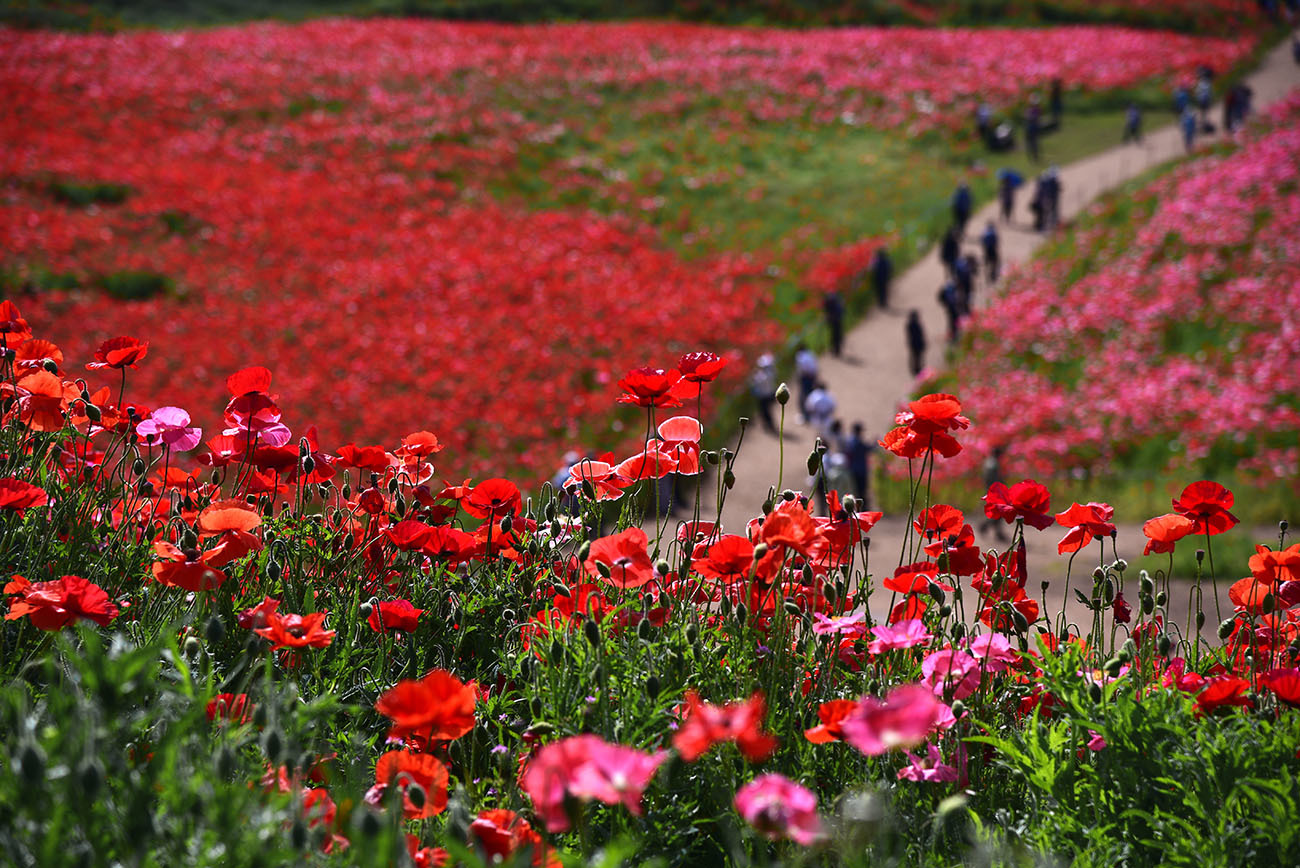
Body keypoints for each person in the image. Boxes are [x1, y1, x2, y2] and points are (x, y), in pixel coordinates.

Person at [978, 446, 1010, 544]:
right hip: (995, 492)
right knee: (998, 512)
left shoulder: (990, 462)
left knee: (997, 512)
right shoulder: (993, 464)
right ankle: (985, 527)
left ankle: (996, 532)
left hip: (993, 490)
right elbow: (995, 480)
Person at [844, 422, 876, 507]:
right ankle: (863, 507)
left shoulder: (850, 441)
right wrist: (875, 444)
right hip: (861, 470)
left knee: (857, 490)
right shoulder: (858, 442)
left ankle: (860, 506)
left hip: (853, 469)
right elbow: (869, 449)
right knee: (862, 491)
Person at [749, 353, 777, 434]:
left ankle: (769, 425)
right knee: (766, 411)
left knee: (766, 412)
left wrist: (754, 376)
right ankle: (768, 425)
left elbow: (757, 381)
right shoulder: (771, 373)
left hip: (764, 396)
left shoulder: (766, 375)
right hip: (768, 394)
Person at [794, 343, 819, 421]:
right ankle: (812, 414)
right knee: (811, 395)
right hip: (812, 377)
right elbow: (815, 366)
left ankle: (806, 415)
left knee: (804, 397)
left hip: (805, 378)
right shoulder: (811, 353)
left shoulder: (800, 356)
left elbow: (802, 369)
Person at [822, 290, 845, 357]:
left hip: (833, 321)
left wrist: (827, 318)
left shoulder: (828, 301)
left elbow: (826, 311)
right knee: (837, 334)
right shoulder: (837, 299)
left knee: (834, 335)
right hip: (838, 320)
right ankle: (836, 349)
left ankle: (834, 349)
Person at [906, 310, 926, 377]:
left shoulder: (909, 325)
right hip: (918, 343)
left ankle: (916, 369)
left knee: (915, 357)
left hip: (913, 343)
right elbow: (921, 334)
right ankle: (918, 369)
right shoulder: (917, 324)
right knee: (918, 357)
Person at [1025, 95, 1042, 162]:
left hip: (1033, 127)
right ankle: (1033, 156)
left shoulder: (1036, 109)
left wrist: (1028, 116)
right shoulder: (1031, 109)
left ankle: (1035, 157)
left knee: (1034, 143)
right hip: (1030, 127)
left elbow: (1031, 117)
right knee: (1031, 143)